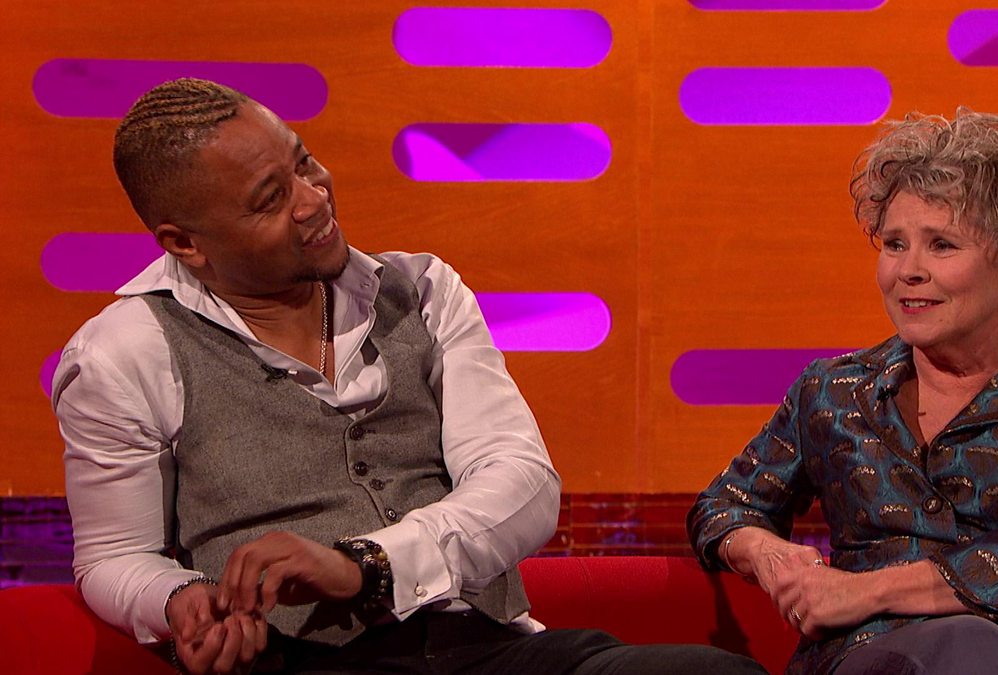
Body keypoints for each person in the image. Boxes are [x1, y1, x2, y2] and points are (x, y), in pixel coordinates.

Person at [53, 78, 765, 675]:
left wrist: (367, 563)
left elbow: (519, 478)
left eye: (305, 163)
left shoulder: (423, 290)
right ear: (185, 243)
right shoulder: (124, 351)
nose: (313, 199)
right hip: (299, 660)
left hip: (483, 646)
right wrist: (182, 599)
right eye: (270, 199)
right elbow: (116, 555)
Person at [687, 109, 998, 674]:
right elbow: (724, 506)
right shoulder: (833, 392)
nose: (908, 270)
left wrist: (864, 590)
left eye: (942, 245)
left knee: (971, 647)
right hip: (868, 660)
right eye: (894, 244)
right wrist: (770, 554)